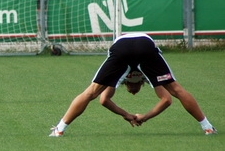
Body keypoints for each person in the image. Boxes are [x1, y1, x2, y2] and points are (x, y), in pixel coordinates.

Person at [49, 32, 217, 137]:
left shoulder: (120, 75)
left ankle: (59, 129)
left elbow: (103, 99)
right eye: (133, 90)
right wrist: (140, 116)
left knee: (90, 92)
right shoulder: (148, 73)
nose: (133, 92)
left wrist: (129, 115)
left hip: (122, 47)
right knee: (177, 89)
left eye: (133, 90)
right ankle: (207, 127)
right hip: (145, 44)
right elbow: (167, 99)